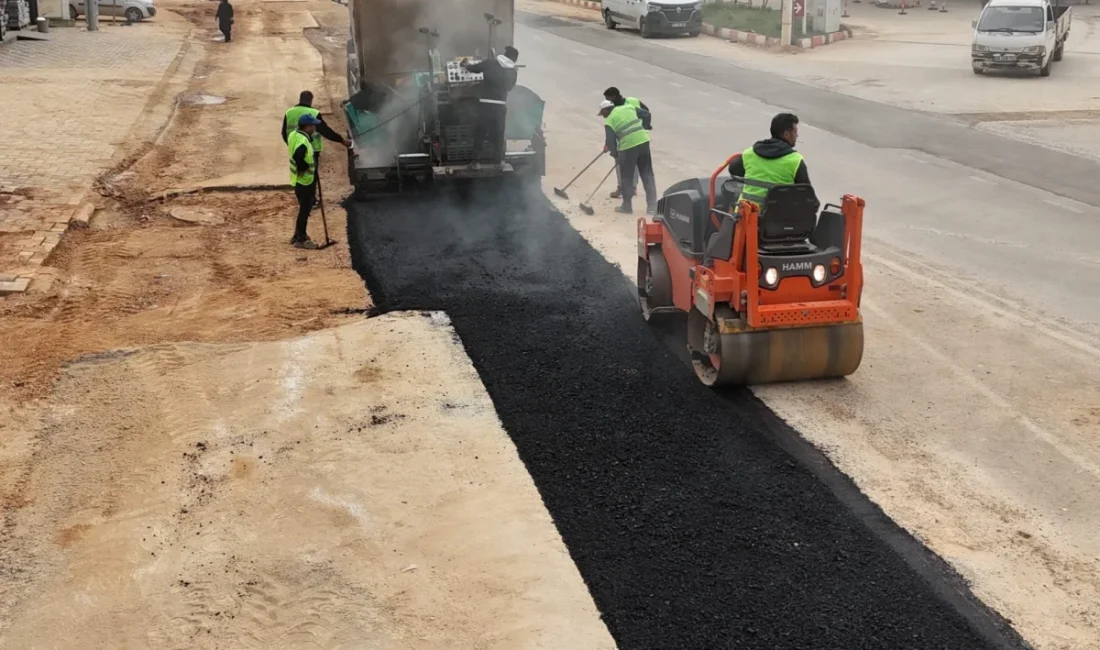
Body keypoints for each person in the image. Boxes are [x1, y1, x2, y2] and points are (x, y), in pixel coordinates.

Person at [727, 112, 812, 207]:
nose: (797, 135)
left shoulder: (750, 153)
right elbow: (807, 196)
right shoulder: (795, 161)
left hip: (745, 218)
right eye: (795, 132)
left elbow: (733, 170)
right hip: (777, 220)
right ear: (786, 134)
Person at [461, 45, 519, 170]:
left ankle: (476, 162)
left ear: (504, 54)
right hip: (500, 106)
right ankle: (500, 161)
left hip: (485, 105)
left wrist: (465, 64)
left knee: (480, 133)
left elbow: (473, 68)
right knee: (498, 134)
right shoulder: (513, 72)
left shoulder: (490, 63)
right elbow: (509, 88)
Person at [599, 99, 657, 215]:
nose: (603, 117)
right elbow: (646, 114)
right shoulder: (628, 108)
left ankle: (627, 206)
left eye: (602, 114)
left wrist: (615, 154)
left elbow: (611, 141)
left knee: (627, 177)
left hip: (628, 146)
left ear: (606, 110)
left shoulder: (610, 120)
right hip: (643, 141)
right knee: (647, 174)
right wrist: (644, 128)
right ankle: (652, 207)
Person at [603, 87, 653, 200]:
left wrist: (611, 147)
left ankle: (623, 189)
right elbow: (647, 112)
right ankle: (633, 189)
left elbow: (611, 131)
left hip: (627, 139)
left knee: (622, 165)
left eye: (608, 98)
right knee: (640, 168)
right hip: (641, 138)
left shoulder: (615, 109)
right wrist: (645, 126)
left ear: (612, 97)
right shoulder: (632, 101)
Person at [288, 114, 322, 250]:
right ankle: (301, 240)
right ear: (307, 127)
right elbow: (298, 157)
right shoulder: (303, 141)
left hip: (297, 180)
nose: (314, 128)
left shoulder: (293, 135)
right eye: (313, 126)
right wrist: (306, 167)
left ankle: (297, 235)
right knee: (305, 210)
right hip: (305, 181)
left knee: (303, 209)